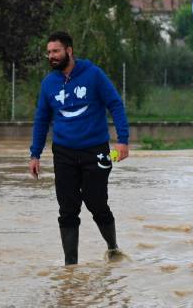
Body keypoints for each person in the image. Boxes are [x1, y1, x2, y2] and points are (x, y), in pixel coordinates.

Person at [29, 31, 129, 265]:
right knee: (67, 209)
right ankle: (70, 267)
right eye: (49, 52)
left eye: (56, 51)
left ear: (69, 51)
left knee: (96, 202)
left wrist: (122, 140)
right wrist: (35, 154)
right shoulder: (49, 83)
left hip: (96, 150)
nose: (51, 56)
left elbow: (115, 104)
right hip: (63, 153)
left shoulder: (93, 75)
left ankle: (113, 248)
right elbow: (41, 120)